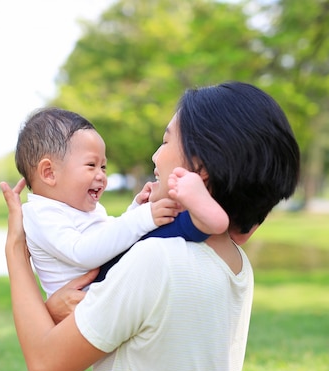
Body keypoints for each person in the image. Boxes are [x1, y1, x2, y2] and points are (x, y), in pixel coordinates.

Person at [0, 81, 300, 371]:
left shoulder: (155, 262)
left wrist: (17, 250)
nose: (156, 157)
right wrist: (56, 306)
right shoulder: (234, 264)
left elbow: (45, 366)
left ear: (199, 169)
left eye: (165, 141)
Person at [14, 107, 229, 297]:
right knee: (156, 231)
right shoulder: (40, 214)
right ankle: (200, 221)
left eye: (104, 167)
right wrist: (142, 217)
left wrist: (136, 209)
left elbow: (107, 237)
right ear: (49, 173)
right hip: (88, 293)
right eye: (91, 165)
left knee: (156, 231)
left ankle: (199, 216)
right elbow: (83, 253)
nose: (101, 176)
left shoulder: (76, 207)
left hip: (102, 280)